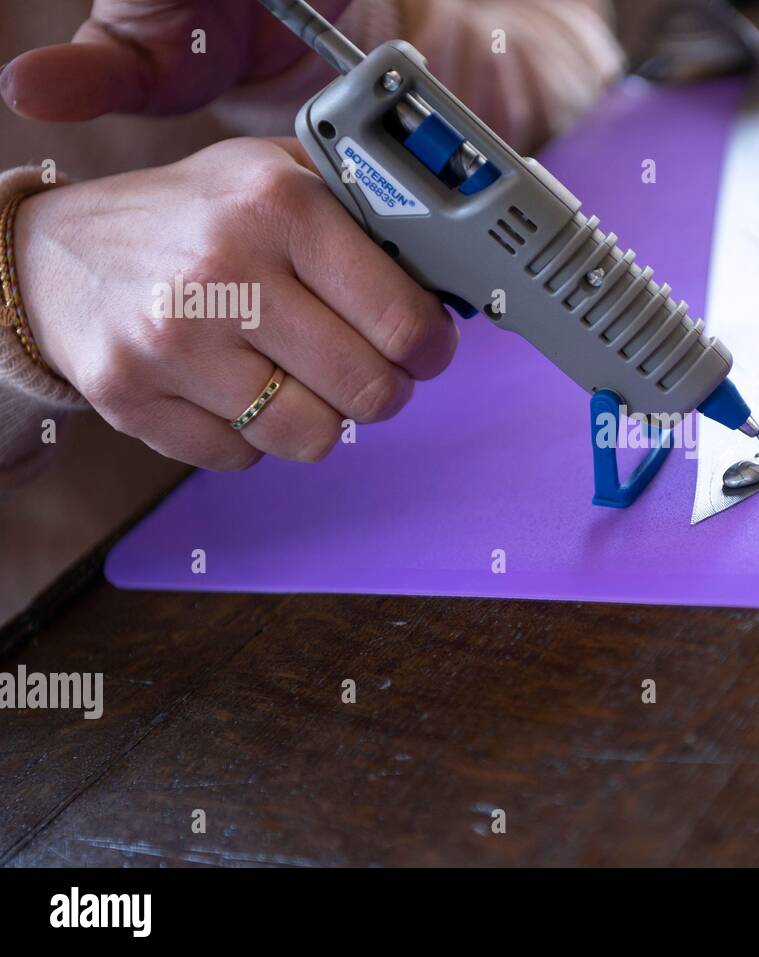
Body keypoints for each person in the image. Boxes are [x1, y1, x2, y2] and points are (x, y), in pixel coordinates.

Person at [0, 0, 623, 619]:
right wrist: (23, 277)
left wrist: (316, 56)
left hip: (420, 513)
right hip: (89, 628)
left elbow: (577, 52)